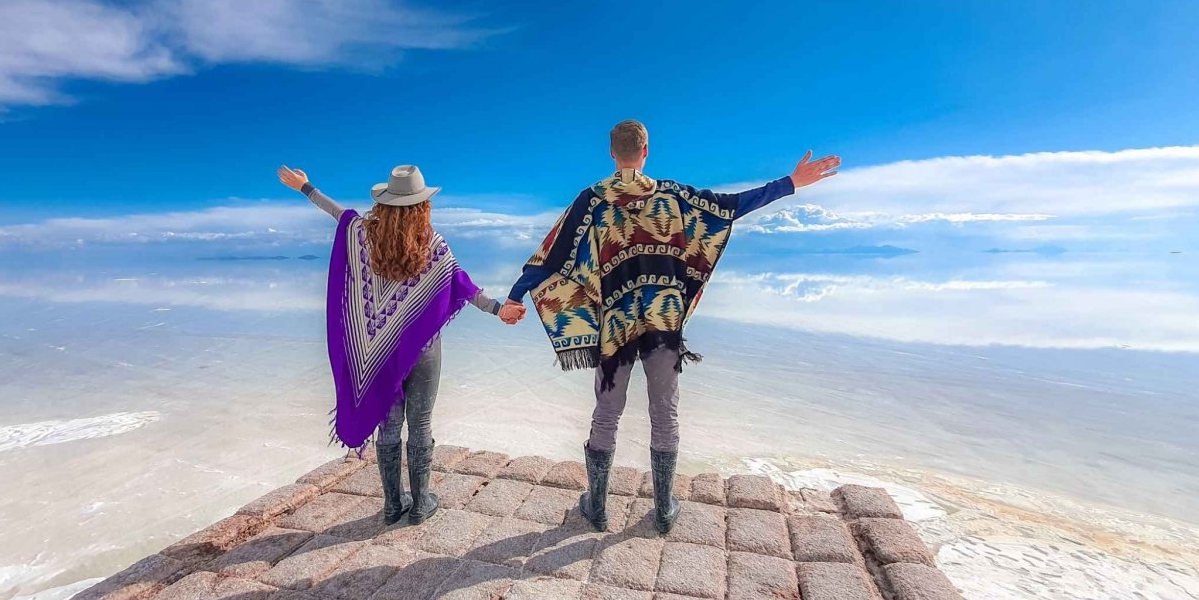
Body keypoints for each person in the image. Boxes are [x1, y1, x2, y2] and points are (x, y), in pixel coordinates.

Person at [502, 121, 839, 534]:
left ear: (612, 153)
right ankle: (663, 509)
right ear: (646, 151)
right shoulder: (674, 196)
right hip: (664, 322)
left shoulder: (592, 200)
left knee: (607, 411)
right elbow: (731, 206)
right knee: (665, 412)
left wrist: (517, 296)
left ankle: (598, 507)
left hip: (618, 328)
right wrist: (790, 182)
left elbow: (552, 258)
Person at [278, 163, 522, 525]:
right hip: (422, 350)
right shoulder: (431, 244)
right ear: (422, 204)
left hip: (376, 354)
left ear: (386, 202)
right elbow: (463, 286)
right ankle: (421, 503)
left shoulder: (362, 234)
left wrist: (306, 187)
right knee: (420, 424)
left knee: (388, 426)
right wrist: (500, 310)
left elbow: (337, 213)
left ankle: (393, 504)